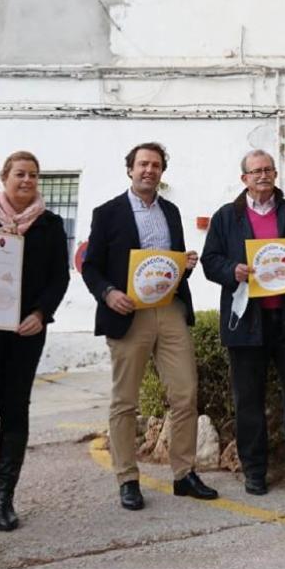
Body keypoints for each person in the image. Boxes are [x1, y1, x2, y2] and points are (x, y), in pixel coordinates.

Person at [81, 142, 217, 511]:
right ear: (130, 169)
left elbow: (168, 261)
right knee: (125, 401)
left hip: (170, 309)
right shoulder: (107, 212)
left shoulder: (170, 211)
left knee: (185, 394)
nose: (149, 170)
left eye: (155, 165)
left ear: (161, 171)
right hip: (128, 313)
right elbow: (90, 266)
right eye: (142, 164)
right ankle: (127, 478)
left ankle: (184, 474)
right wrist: (108, 294)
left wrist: (184, 263)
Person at [0, 151, 70, 535]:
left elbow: (58, 277)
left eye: (34, 175)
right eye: (20, 174)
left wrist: (40, 314)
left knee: (15, 411)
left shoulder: (50, 225)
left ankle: (4, 500)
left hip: (25, 333)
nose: (27, 181)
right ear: (3, 176)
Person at [201, 149, 285, 495]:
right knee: (249, 400)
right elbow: (210, 261)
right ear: (244, 179)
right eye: (256, 171)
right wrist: (232, 271)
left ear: (275, 175)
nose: (263, 175)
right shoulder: (226, 217)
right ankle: (254, 470)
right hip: (246, 322)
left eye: (268, 169)